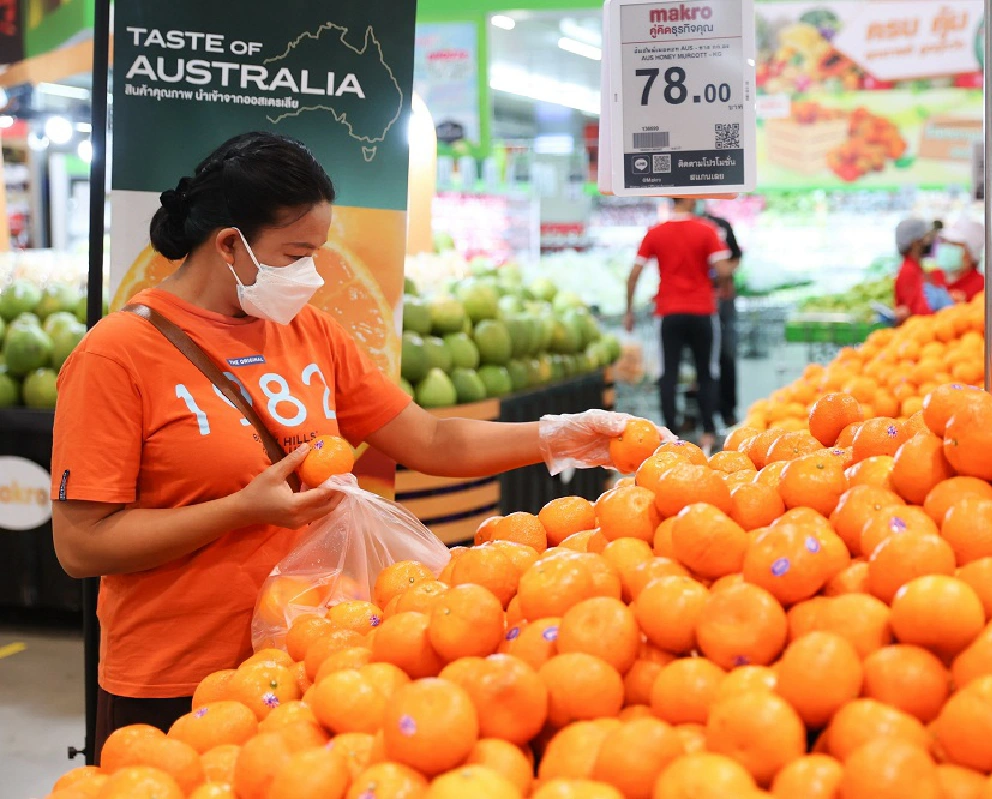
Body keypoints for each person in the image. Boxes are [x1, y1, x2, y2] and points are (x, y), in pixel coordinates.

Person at [51, 132, 643, 750]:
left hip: (312, 662)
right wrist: (240, 511)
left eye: (318, 254)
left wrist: (559, 436)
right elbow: (81, 545)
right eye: (296, 253)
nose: (310, 275)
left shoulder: (310, 333)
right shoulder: (116, 356)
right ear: (229, 244)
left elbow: (433, 438)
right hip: (179, 678)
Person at [625, 197, 732, 451]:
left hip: (668, 312)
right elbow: (724, 270)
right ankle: (707, 431)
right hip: (702, 310)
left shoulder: (655, 232)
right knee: (707, 372)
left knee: (668, 373)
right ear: (690, 199)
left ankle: (670, 433)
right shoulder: (707, 230)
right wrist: (723, 286)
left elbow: (634, 274)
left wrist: (628, 309)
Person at [699, 204, 742, 429]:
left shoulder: (721, 226)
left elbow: (735, 258)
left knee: (726, 353)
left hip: (722, 301)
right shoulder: (689, 227)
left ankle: (728, 410)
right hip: (698, 302)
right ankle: (699, 413)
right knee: (698, 360)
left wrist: (722, 273)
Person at [892, 217, 950, 322]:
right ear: (915, 242)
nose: (930, 241)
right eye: (926, 237)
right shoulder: (908, 271)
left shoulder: (919, 269)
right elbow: (918, 312)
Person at [938, 217, 987, 302]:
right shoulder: (932, 278)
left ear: (971, 254)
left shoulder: (983, 286)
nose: (947, 248)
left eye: (954, 244)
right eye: (945, 242)